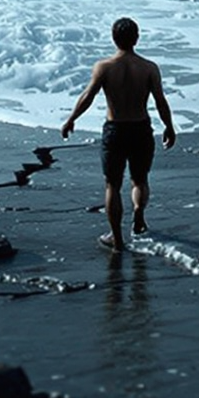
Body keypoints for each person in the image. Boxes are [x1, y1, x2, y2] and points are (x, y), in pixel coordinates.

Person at [61, 16, 176, 251]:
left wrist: (72, 119)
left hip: (115, 130)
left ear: (114, 38)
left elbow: (88, 96)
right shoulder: (148, 68)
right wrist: (169, 126)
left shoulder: (104, 67)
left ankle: (117, 238)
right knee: (140, 180)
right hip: (141, 128)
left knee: (112, 185)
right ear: (137, 38)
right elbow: (160, 102)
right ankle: (139, 215)